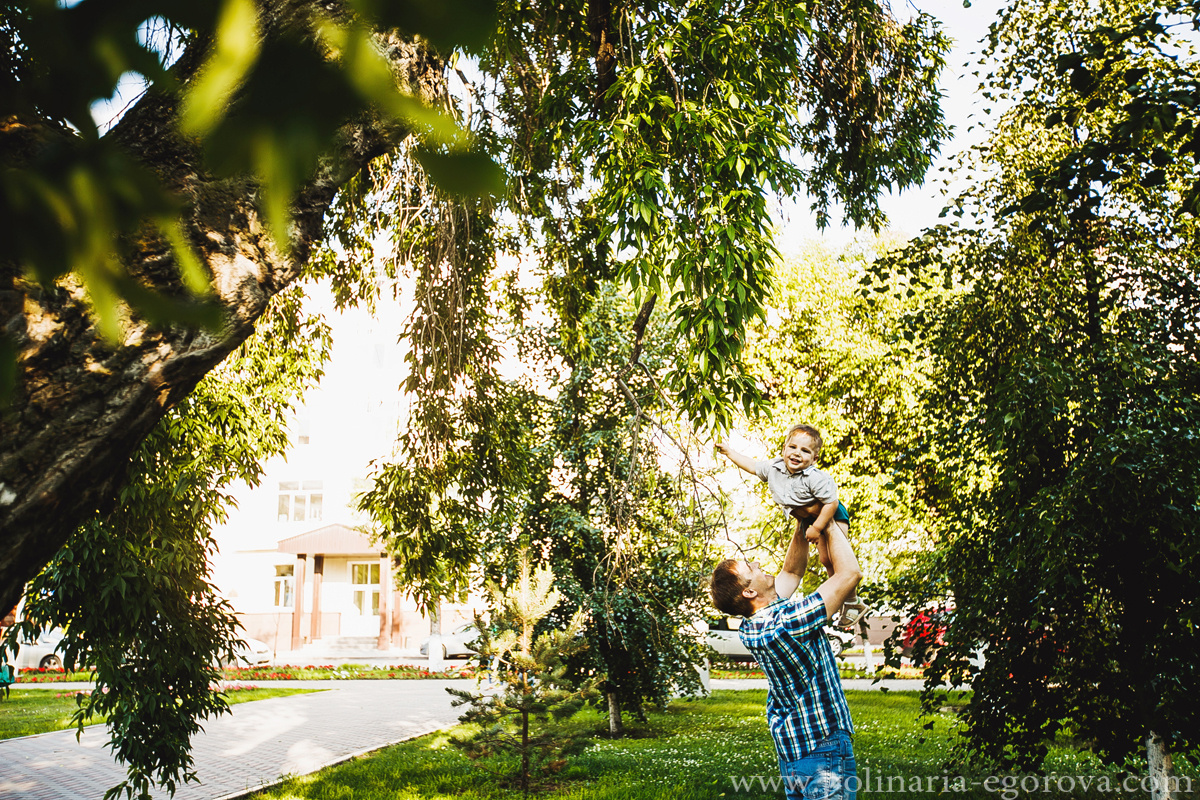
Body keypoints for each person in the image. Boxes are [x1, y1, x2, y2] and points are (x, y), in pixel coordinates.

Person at [709, 517, 862, 800]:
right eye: (749, 568)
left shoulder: (756, 624)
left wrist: (803, 522)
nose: (756, 563)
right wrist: (827, 522)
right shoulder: (786, 624)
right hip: (823, 746)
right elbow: (849, 574)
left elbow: (792, 570)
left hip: (794, 751)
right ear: (750, 591)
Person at [716, 424, 868, 628]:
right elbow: (752, 466)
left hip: (829, 513)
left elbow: (831, 503)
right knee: (827, 560)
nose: (797, 453)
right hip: (814, 519)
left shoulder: (814, 477)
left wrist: (816, 524)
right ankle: (849, 602)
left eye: (805, 450)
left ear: (814, 459)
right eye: (793, 447)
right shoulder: (785, 623)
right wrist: (729, 452)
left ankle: (850, 601)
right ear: (784, 449)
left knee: (831, 559)